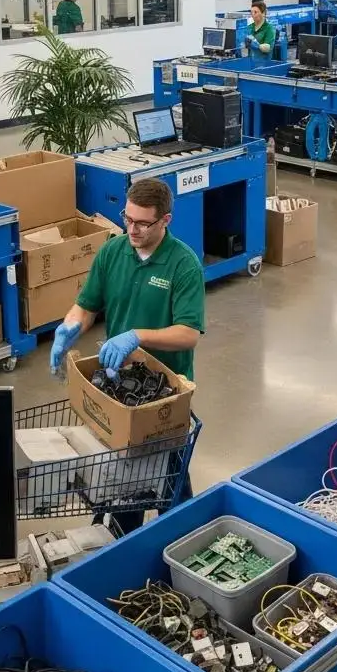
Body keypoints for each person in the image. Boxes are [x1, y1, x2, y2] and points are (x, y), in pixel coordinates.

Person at [49, 178, 205, 527]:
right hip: (119, 387)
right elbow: (87, 305)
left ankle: (180, 542)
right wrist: (69, 327)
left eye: (142, 223)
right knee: (120, 485)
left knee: (170, 488)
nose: (132, 229)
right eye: (127, 219)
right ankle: (121, 541)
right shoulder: (112, 252)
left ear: (165, 220)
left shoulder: (183, 265)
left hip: (163, 396)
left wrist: (136, 336)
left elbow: (188, 334)